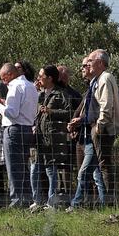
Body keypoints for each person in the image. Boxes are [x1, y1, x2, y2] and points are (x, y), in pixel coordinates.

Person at [66, 50, 119, 211]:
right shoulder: (98, 80)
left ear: (100, 62)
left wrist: (99, 127)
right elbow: (94, 107)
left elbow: (106, 105)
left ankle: (103, 204)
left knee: (102, 166)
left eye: (91, 60)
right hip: (96, 128)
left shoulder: (105, 78)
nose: (88, 63)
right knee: (99, 168)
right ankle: (105, 204)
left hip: (102, 130)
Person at [0, 61, 38, 209]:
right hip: (27, 128)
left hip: (14, 130)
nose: (3, 82)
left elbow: (12, 113)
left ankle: (17, 201)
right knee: (23, 167)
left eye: (3, 78)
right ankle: (27, 199)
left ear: (10, 74)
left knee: (13, 168)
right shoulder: (31, 86)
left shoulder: (15, 86)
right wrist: (4, 102)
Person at [35, 65, 74, 210]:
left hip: (54, 138)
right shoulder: (40, 94)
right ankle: (38, 200)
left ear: (50, 78)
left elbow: (69, 113)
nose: (39, 78)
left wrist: (51, 111)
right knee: (37, 169)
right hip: (40, 137)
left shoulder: (60, 94)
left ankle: (52, 201)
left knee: (51, 170)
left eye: (41, 76)